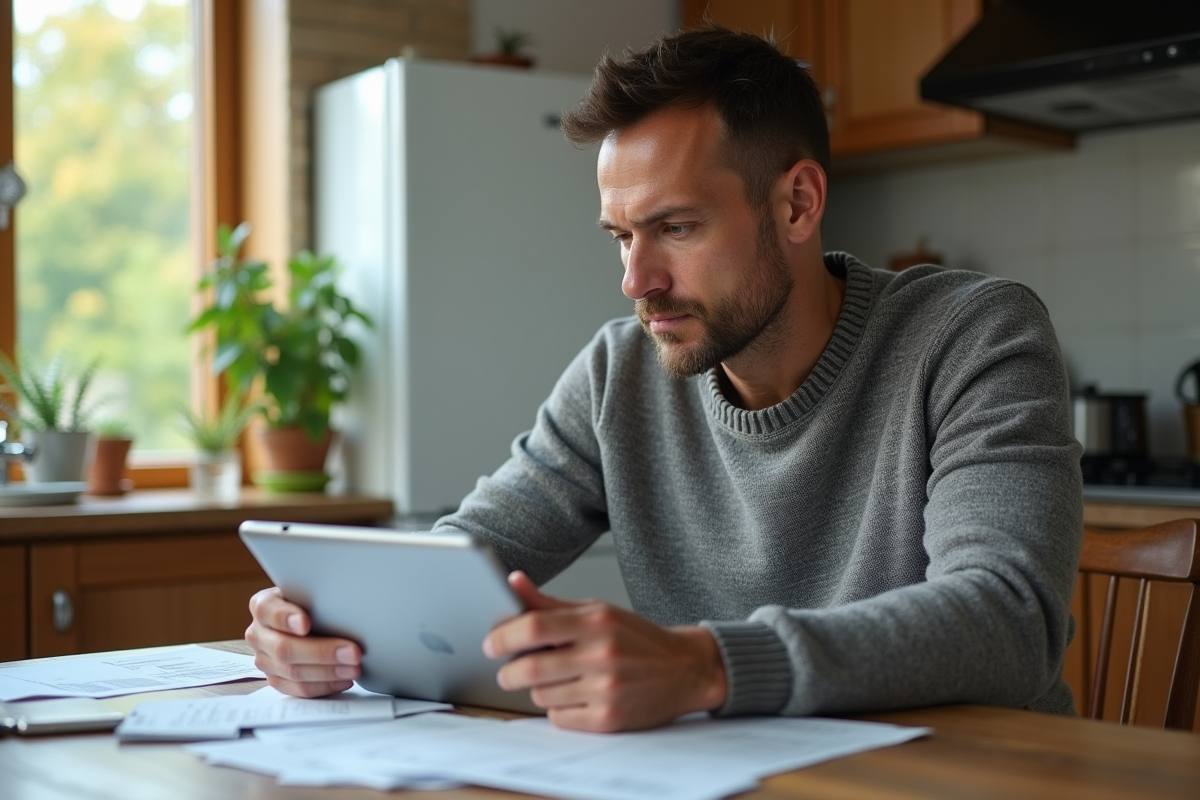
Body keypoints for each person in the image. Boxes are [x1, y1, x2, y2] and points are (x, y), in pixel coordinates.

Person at [246, 26, 1083, 733]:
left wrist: (704, 664)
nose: (636, 280)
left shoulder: (974, 335)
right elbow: (464, 560)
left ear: (797, 204)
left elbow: (1006, 619)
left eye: (675, 227)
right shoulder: (621, 373)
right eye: (620, 236)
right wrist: (336, 620)